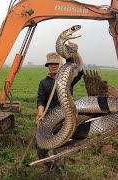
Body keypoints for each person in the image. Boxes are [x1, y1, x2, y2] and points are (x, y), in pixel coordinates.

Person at [36, 42, 84, 179]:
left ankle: (60, 174)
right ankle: (47, 164)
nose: (53, 66)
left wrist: (76, 53)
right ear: (48, 66)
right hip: (48, 119)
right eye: (50, 64)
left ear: (60, 65)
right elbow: (40, 100)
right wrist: (40, 112)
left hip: (64, 119)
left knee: (60, 150)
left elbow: (80, 70)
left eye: (56, 64)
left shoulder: (68, 79)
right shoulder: (43, 82)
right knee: (41, 148)